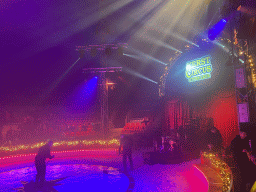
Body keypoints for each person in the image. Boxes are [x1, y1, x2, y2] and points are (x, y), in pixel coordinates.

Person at [230, 124, 256, 192]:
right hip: (238, 162)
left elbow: (248, 148)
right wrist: (241, 150)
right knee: (241, 178)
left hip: (245, 162)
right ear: (241, 133)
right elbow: (233, 150)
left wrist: (248, 152)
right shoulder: (235, 140)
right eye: (244, 134)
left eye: (246, 134)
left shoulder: (246, 139)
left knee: (246, 176)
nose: (245, 135)